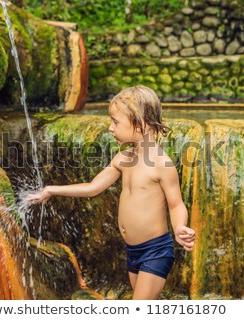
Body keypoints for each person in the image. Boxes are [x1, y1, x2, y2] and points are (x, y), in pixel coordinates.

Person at [26, 85, 195, 299]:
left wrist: (180, 227)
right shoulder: (123, 158)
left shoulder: (162, 164)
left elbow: (176, 204)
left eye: (116, 122)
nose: (110, 128)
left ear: (141, 125)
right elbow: (92, 187)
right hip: (133, 251)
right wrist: (51, 189)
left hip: (155, 251)